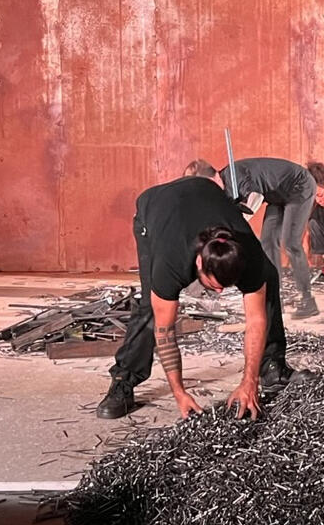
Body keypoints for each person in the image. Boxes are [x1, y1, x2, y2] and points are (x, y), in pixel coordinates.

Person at [96, 174, 310, 420]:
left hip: (203, 193)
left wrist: (249, 382)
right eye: (214, 285)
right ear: (199, 262)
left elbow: (256, 320)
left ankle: (271, 368)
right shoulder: (171, 262)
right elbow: (165, 333)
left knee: (267, 277)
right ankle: (125, 379)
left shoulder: (249, 255)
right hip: (156, 209)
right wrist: (179, 393)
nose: (219, 293)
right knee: (150, 309)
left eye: (225, 286)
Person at [185, 157, 319, 319]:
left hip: (299, 186)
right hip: (277, 196)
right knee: (268, 243)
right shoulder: (223, 189)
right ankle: (275, 298)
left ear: (212, 178)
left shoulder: (235, 176)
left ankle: (308, 300)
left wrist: (240, 222)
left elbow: (256, 198)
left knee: (291, 243)